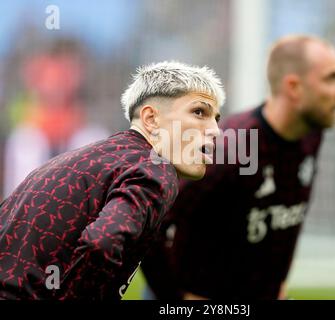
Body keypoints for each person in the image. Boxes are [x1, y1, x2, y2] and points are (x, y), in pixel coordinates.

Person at [142, 35, 335, 300]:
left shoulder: (310, 134)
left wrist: (277, 283)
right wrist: (176, 297)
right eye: (331, 78)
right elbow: (152, 219)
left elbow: (284, 215)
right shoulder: (230, 148)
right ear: (294, 87)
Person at [0, 61, 225, 300]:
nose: (215, 130)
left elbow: (150, 251)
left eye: (216, 118)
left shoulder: (94, 160)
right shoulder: (156, 169)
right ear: (151, 119)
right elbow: (102, 243)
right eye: (199, 112)